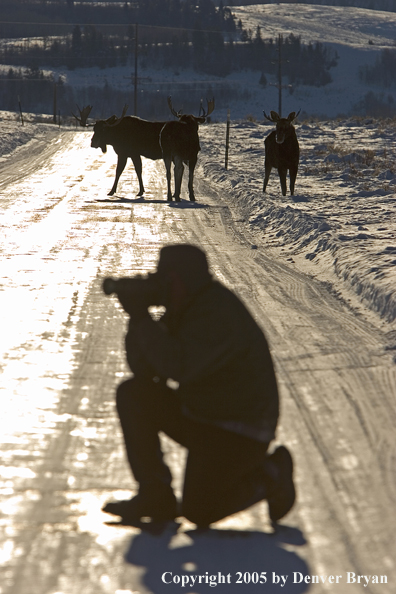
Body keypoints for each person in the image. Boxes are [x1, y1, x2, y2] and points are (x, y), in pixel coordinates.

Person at [102, 244, 295, 528]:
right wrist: (138, 317)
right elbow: (145, 371)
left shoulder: (216, 311)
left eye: (165, 278)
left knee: (199, 510)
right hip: (205, 417)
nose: (160, 286)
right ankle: (156, 496)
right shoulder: (187, 305)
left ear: (180, 279)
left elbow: (177, 367)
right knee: (134, 394)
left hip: (239, 432)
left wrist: (143, 318)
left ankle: (271, 473)